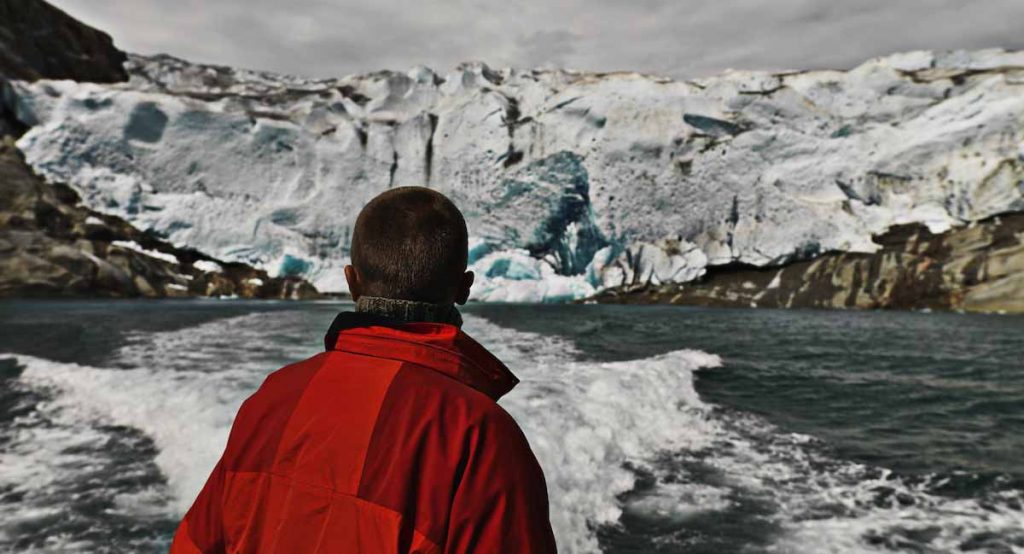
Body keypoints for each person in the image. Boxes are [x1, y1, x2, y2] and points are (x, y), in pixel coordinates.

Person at [170, 187, 557, 553]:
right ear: (465, 287)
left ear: (351, 282)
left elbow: (195, 544)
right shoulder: (482, 437)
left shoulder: (271, 398)